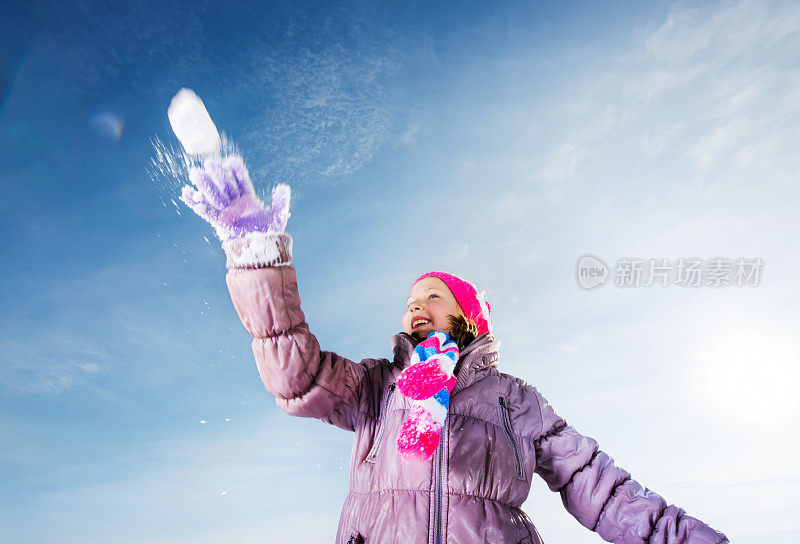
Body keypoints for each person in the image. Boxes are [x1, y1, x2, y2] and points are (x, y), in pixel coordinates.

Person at [180, 154, 730, 544]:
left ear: (468, 316)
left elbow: (603, 492)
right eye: (410, 299)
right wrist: (256, 255)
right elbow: (296, 377)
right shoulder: (377, 387)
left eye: (433, 296)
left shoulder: (518, 403)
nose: (415, 305)